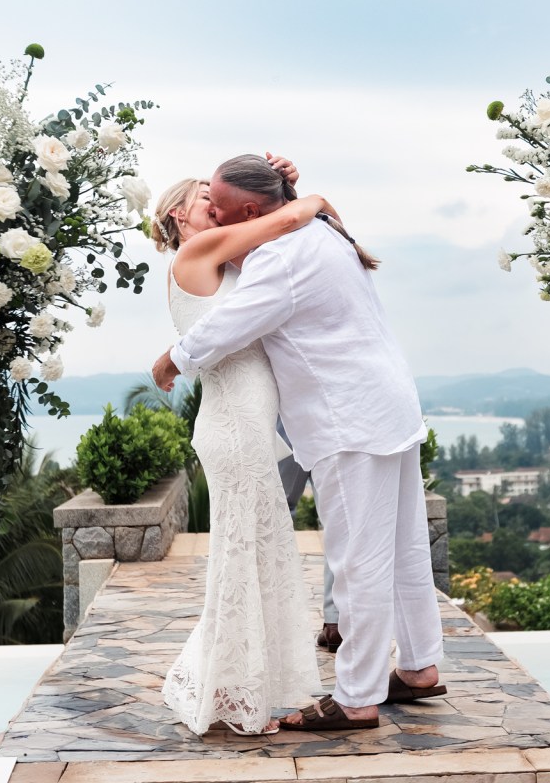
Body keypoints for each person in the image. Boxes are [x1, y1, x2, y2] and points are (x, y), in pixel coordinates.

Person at [152, 155, 445, 732]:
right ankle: (418, 668)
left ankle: (357, 698)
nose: (213, 208)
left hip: (349, 421)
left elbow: (228, 323)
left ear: (251, 211)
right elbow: (264, 215)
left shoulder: (280, 258)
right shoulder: (314, 232)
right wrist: (295, 192)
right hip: (388, 404)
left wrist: (173, 358)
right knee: (405, 546)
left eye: (220, 202)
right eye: (205, 202)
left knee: (359, 560)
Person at [150, 169, 325, 736]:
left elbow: (275, 236)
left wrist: (285, 182)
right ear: (180, 214)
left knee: (253, 555)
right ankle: (236, 694)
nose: (218, 206)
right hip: (234, 427)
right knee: (244, 556)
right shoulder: (199, 248)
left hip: (244, 425)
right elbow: (284, 220)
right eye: (207, 197)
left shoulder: (223, 262)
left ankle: (235, 686)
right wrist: (313, 198)